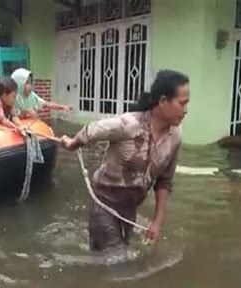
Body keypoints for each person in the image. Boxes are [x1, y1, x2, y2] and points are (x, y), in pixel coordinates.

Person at [61, 70, 190, 251]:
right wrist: (73, 143)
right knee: (118, 263)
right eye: (182, 103)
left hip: (130, 208)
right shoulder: (129, 125)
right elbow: (92, 130)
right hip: (104, 203)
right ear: (162, 102)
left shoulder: (175, 136)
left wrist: (156, 222)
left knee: (116, 256)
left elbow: (165, 181)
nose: (186, 110)